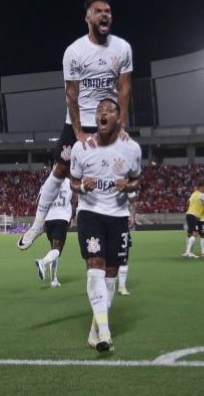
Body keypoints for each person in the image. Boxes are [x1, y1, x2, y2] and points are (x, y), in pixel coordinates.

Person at [17, 0, 133, 251]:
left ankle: (122, 223)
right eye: (98, 11)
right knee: (59, 169)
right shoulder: (75, 52)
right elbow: (71, 93)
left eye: (108, 10)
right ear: (88, 18)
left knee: (115, 172)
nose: (105, 14)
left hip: (107, 122)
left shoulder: (122, 48)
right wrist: (78, 130)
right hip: (78, 122)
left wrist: (121, 124)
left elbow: (124, 88)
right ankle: (38, 223)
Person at [70, 98, 141, 352]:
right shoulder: (82, 148)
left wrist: (128, 186)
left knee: (110, 274)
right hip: (90, 214)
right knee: (95, 267)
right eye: (99, 110)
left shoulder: (131, 149)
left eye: (109, 110)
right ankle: (106, 333)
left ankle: (95, 331)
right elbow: (73, 183)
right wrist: (81, 187)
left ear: (118, 118)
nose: (102, 113)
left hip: (118, 216)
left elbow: (136, 181)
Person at [34, 185, 76, 288]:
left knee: (53, 250)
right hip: (61, 218)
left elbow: (39, 202)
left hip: (49, 219)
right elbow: (75, 201)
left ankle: (54, 279)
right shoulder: (70, 183)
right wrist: (72, 217)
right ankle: (42, 262)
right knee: (57, 251)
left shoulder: (47, 183)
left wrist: (41, 220)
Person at [118, 190, 138, 296]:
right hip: (103, 221)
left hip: (121, 221)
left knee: (123, 255)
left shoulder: (124, 179)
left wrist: (132, 215)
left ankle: (122, 286)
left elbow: (133, 200)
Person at [182, 183, 204, 258]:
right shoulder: (195, 195)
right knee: (192, 233)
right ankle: (189, 251)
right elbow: (189, 202)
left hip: (201, 218)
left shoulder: (202, 196)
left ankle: (203, 252)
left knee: (202, 234)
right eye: (203, 188)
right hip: (195, 216)